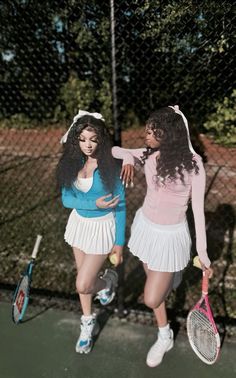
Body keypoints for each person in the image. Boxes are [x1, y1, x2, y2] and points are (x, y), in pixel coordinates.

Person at [112, 105, 213, 367]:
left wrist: (202, 254)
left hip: (170, 236)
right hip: (146, 228)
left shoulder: (195, 166)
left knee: (152, 297)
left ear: (168, 133)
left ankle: (174, 276)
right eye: (146, 129)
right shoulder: (150, 155)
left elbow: (198, 213)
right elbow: (114, 150)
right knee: (154, 287)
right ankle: (164, 334)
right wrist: (127, 158)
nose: (145, 134)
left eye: (152, 130)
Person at [56, 110, 126, 354]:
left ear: (101, 140)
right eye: (83, 139)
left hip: (101, 228)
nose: (88, 145)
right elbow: (66, 199)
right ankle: (88, 323)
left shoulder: (110, 166)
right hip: (79, 225)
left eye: (93, 139)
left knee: (84, 284)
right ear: (77, 139)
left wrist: (119, 243)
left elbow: (121, 206)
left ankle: (108, 281)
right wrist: (91, 204)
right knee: (82, 279)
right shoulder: (70, 163)